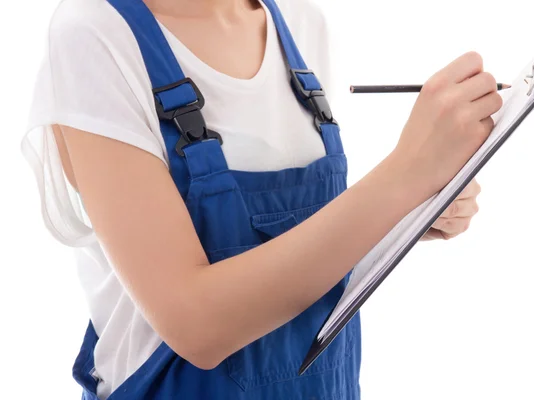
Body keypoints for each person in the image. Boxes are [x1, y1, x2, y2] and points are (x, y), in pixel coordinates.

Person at [21, 0, 499, 398]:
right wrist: (404, 173)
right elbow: (196, 323)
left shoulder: (300, 24)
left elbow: (300, 259)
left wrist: (411, 209)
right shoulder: (94, 37)